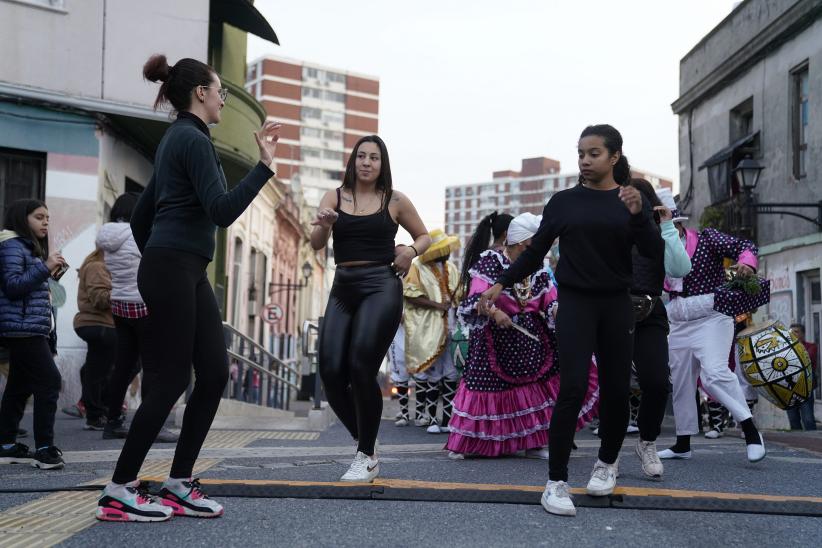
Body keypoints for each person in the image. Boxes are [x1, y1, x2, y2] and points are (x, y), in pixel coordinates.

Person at [96, 54, 281, 522]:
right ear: (201, 92)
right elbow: (220, 210)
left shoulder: (179, 138)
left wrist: (161, 254)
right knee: (173, 378)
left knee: (215, 372)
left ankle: (178, 482)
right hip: (175, 267)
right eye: (219, 90)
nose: (223, 98)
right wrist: (263, 167)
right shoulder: (192, 140)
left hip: (182, 268)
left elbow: (141, 218)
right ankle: (119, 488)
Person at [479, 125, 663, 516]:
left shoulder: (629, 201)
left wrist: (639, 218)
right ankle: (556, 482)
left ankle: (606, 463)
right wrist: (501, 283)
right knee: (573, 386)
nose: (584, 159)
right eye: (581, 152)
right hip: (576, 302)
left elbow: (652, 252)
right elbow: (535, 252)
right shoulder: (563, 202)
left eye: (594, 153)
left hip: (616, 303)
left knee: (616, 390)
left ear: (614, 157)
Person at [311, 134, 431, 483]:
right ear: (353, 161)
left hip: (381, 285)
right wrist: (326, 224)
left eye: (373, 158)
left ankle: (365, 456)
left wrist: (409, 251)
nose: (366, 162)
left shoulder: (395, 200)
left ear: (382, 164)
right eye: (361, 156)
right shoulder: (334, 197)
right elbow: (317, 243)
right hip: (343, 286)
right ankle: (366, 441)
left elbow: (425, 236)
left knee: (360, 365)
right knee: (331, 373)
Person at [447, 212, 598, 460]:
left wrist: (561, 312)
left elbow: (549, 299)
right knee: (485, 388)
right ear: (520, 243)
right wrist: (495, 313)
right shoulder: (491, 261)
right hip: (493, 339)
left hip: (530, 340)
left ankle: (533, 441)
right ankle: (471, 443)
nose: (538, 250)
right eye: (533, 245)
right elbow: (476, 297)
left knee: (535, 387)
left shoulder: (538, 267)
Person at [658, 214, 766, 463]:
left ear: (679, 224)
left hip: (712, 317)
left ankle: (750, 432)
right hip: (678, 321)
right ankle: (682, 444)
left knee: (715, 373)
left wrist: (747, 264)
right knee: (682, 382)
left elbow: (745, 247)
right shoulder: (655, 247)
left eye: (665, 225)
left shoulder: (707, 239)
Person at [96, 193, 178, 443]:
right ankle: (151, 425)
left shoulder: (107, 235)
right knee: (153, 367)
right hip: (143, 304)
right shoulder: (138, 233)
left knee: (123, 365)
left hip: (119, 303)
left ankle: (112, 422)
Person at [625, 182, 691, 479]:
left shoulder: (660, 231)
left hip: (650, 310)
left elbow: (679, 269)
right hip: (612, 311)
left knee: (657, 382)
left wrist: (666, 224)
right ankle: (607, 456)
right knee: (613, 386)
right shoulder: (613, 227)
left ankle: (647, 442)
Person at [0, 199, 66, 470]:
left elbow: (28, 285)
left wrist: (50, 272)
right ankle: (44, 449)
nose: (45, 222)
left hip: (28, 326)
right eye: (39, 217)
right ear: (21, 218)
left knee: (19, 386)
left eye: (47, 218)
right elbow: (13, 286)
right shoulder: (12, 246)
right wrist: (44, 268)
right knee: (49, 381)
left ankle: (5, 445)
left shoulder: (27, 247)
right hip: (22, 328)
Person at [397, 230, 460, 434]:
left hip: (451, 328)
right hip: (429, 331)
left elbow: (460, 294)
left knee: (450, 374)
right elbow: (410, 295)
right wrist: (437, 305)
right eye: (444, 249)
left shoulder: (451, 268)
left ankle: (447, 420)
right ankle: (432, 419)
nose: (448, 252)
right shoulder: (417, 269)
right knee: (433, 373)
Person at [73, 248, 117, 432]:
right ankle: (96, 412)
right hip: (98, 324)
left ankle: (97, 409)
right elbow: (100, 299)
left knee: (95, 368)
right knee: (100, 369)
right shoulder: (98, 266)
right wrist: (125, 290)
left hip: (102, 325)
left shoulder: (100, 266)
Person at [786, 323, 817, 431]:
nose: (793, 334)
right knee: (793, 419)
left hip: (805, 387)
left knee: (808, 419)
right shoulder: (785, 349)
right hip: (789, 388)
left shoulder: (811, 346)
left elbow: (806, 358)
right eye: (791, 332)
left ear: (803, 334)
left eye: (796, 331)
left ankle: (813, 442)